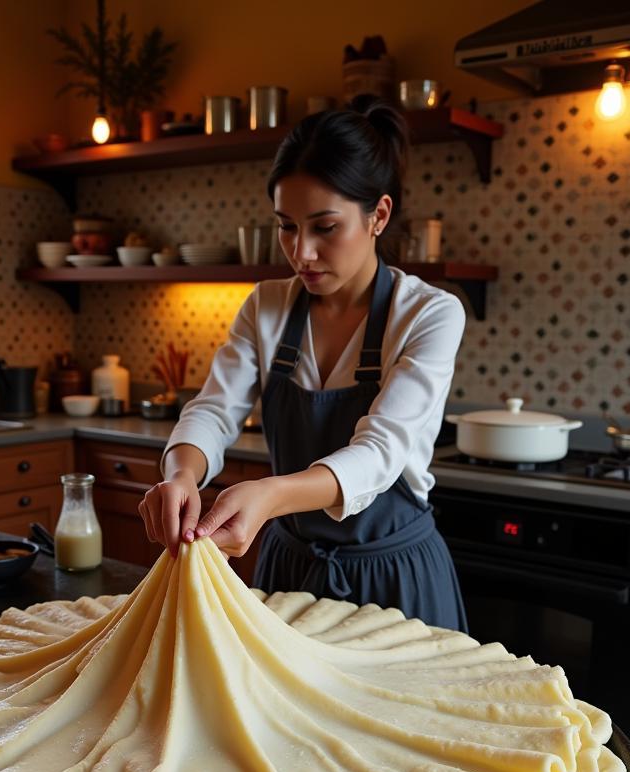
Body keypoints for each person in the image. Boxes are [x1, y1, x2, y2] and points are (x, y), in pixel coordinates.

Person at [137, 99, 468, 631]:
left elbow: (380, 451)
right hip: (289, 572)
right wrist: (182, 475)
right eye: (287, 227)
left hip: (394, 579)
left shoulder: (429, 313)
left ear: (378, 215)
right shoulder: (267, 306)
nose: (302, 252)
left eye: (325, 227)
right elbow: (215, 410)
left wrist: (272, 494)